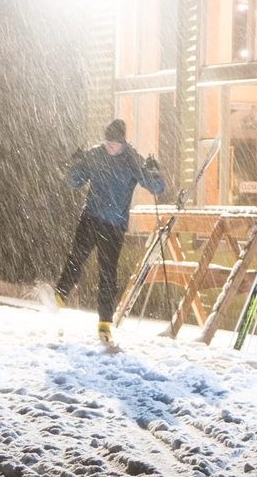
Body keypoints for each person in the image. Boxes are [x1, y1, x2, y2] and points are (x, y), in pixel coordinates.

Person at [55, 119, 164, 345]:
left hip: (114, 225)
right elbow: (74, 182)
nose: (109, 147)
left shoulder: (133, 160)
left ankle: (104, 321)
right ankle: (58, 298)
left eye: (113, 143)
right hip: (91, 217)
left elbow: (155, 187)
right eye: (106, 142)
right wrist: (73, 166)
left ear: (123, 142)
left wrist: (153, 172)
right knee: (75, 258)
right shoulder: (95, 155)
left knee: (107, 272)